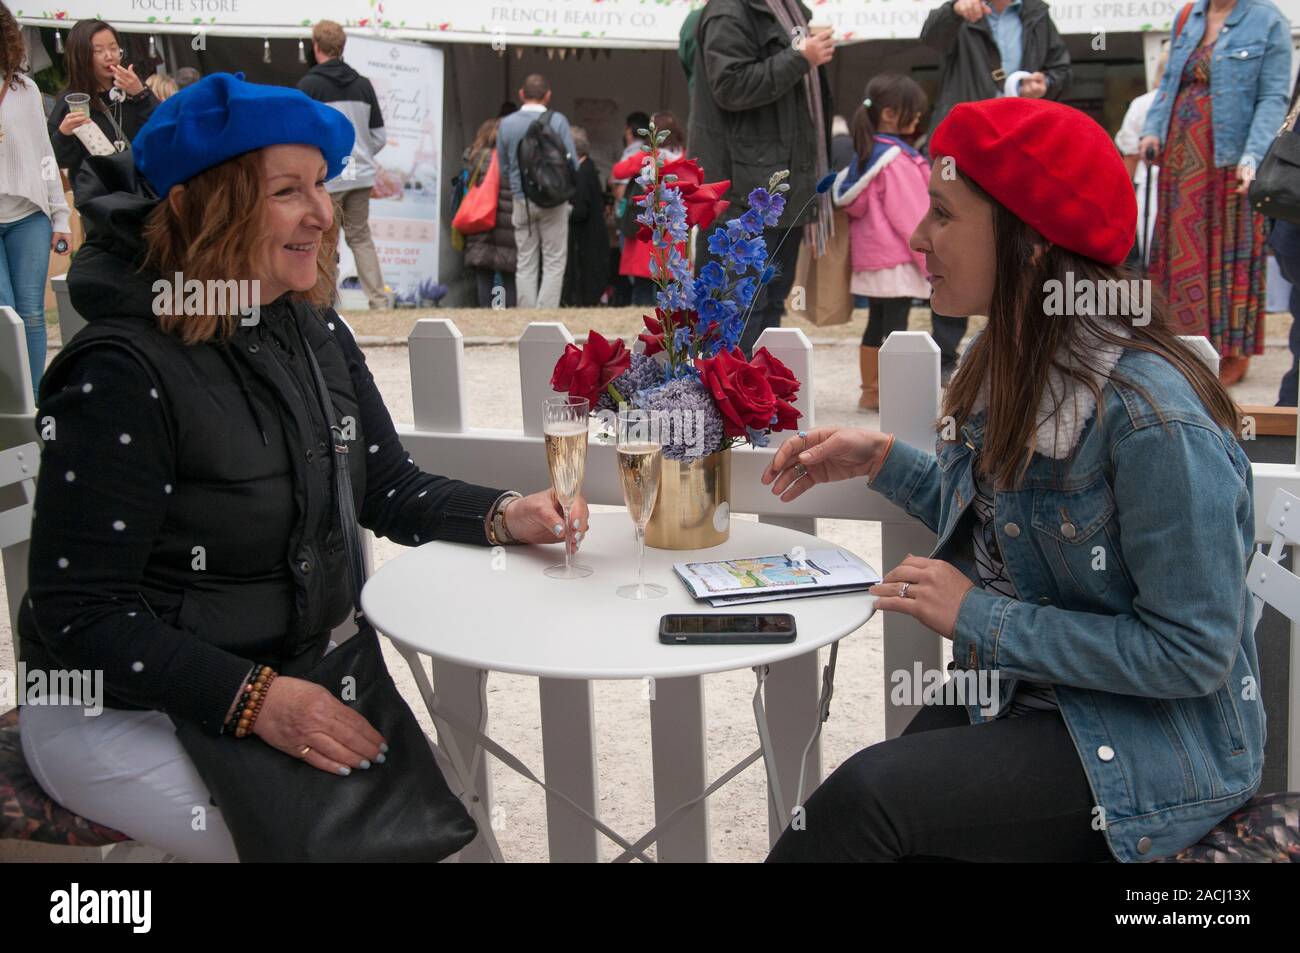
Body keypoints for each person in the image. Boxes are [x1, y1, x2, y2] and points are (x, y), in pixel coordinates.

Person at [16, 73, 592, 862]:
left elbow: (389, 487)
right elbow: (80, 616)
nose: (322, 213)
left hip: (287, 677)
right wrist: (252, 699)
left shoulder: (312, 333)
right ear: (200, 205)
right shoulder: (120, 370)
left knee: (450, 842)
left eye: (321, 185)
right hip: (118, 713)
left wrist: (503, 514)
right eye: (287, 190)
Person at [762, 97, 1261, 862]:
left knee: (868, 803)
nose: (916, 235)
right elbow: (1018, 529)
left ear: (1031, 245)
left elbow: (1191, 654)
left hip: (1148, 751)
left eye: (942, 214)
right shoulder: (1020, 360)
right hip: (1028, 700)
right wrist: (882, 460)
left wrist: (981, 619)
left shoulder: (1153, 418)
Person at [1140, 0, 1291, 386]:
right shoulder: (1188, 15)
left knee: (1230, 251)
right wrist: (1152, 129)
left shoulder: (1268, 20)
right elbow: (1169, 83)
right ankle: (1182, 345)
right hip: (1180, 156)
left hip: (1229, 159)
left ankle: (1230, 352)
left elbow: (1273, 97)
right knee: (1179, 252)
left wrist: (1253, 157)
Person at [920, 0, 1071, 376]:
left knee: (1021, 243)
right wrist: (954, 10)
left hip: (1020, 142)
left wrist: (1046, 83)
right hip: (968, 144)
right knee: (951, 237)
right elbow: (929, 40)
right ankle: (945, 351)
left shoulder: (1037, 14)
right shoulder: (962, 11)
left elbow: (1061, 67)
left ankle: (1021, 342)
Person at [689, 0, 835, 357]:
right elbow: (730, 85)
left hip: (779, 186)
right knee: (733, 313)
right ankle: (727, 408)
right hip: (742, 191)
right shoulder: (729, 10)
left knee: (767, 306)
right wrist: (801, 58)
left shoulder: (789, 10)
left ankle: (753, 403)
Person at [832, 75, 930, 413]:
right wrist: (929, 260)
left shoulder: (867, 155)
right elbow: (912, 217)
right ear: (889, 113)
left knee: (877, 322)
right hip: (899, 260)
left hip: (872, 260)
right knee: (897, 327)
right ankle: (892, 395)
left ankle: (871, 392)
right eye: (913, 111)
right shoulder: (896, 160)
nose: (918, 117)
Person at [0, 1, 71, 394]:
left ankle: (35, 401)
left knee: (30, 312)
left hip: (28, 215)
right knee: (4, 310)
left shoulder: (24, 90)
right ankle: (12, 398)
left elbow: (46, 156)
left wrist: (60, 218)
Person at [298, 20, 389, 311]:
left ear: (315, 46)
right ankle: (379, 301)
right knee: (360, 237)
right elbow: (379, 136)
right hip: (360, 176)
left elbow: (300, 135)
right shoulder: (363, 85)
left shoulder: (309, 86)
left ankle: (324, 303)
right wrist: (361, 154)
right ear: (342, 47)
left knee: (325, 239)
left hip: (329, 177)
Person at [47, 18, 158, 194]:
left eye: (114, 48)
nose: (109, 56)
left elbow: (160, 131)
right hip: (101, 202)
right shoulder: (72, 101)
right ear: (81, 56)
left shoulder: (133, 89)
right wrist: (64, 135)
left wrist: (141, 94)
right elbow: (61, 160)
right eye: (98, 51)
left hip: (142, 191)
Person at [496, 73, 579, 309]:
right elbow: (572, 163)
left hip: (521, 199)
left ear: (521, 94)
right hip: (554, 200)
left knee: (525, 260)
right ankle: (546, 315)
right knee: (554, 260)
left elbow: (503, 167)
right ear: (548, 95)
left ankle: (525, 315)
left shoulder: (507, 124)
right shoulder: (558, 121)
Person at [609, 111, 686, 306]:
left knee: (644, 279)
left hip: (647, 221)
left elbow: (618, 170)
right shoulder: (684, 156)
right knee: (670, 281)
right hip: (673, 223)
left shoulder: (648, 156)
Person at [1114, 46, 1169, 270]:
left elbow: (1130, 157)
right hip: (1156, 183)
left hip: (1150, 187)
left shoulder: (1142, 104)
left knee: (1151, 254)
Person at [461, 118, 517, 309]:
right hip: (508, 222)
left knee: (483, 274)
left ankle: (486, 311)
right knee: (509, 275)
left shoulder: (475, 157)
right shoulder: (512, 158)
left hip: (481, 221)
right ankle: (508, 313)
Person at [563, 126, 610, 307]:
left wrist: (562, 211)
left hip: (588, 240)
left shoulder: (583, 172)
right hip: (592, 236)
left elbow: (580, 210)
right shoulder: (587, 167)